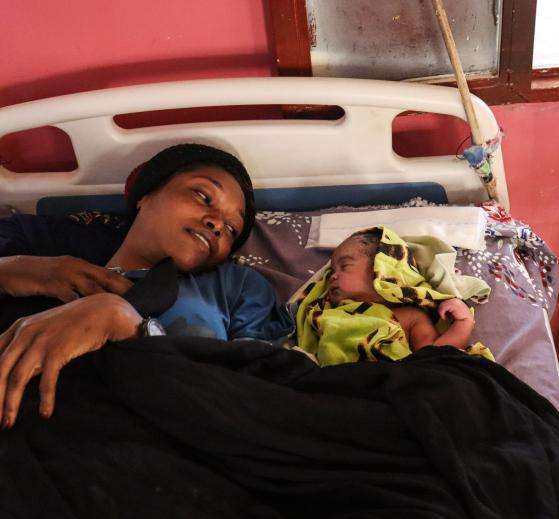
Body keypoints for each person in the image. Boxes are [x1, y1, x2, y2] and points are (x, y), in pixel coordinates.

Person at [0, 144, 293, 429]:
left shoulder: (235, 286)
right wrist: (14, 269)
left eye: (231, 229)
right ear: (146, 195)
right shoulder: (56, 248)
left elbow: (257, 399)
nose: (217, 224)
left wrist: (131, 328)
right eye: (203, 196)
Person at [296, 227, 479, 367]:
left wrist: (464, 322)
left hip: (391, 380)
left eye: (344, 267)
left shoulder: (408, 316)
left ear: (381, 270)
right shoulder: (324, 314)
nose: (333, 276)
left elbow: (434, 357)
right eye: (332, 271)